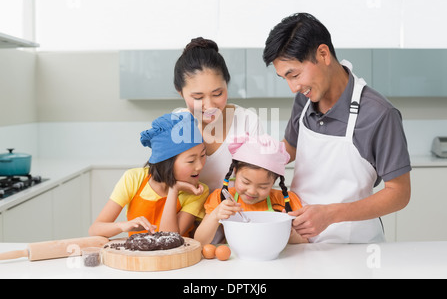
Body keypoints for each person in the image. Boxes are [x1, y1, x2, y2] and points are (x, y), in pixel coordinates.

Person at [263, 13, 411, 243]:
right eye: (285, 78)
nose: (293, 87)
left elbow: (399, 194)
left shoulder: (378, 113)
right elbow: (290, 149)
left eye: (295, 74)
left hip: (355, 248)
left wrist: (330, 214)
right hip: (299, 242)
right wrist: (252, 167)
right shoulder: (305, 98)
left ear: (323, 54)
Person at [88, 112, 209, 238]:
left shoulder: (198, 192)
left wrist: (174, 189)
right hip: (138, 257)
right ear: (167, 162)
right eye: (191, 161)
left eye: (203, 155)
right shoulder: (134, 179)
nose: (200, 166)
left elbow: (169, 237)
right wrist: (122, 226)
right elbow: (95, 230)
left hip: (177, 256)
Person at [174, 37, 266, 193]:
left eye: (217, 94)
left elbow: (261, 181)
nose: (209, 106)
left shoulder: (247, 121)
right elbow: (161, 183)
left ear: (227, 85)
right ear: (180, 92)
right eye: (198, 97)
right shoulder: (176, 123)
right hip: (187, 214)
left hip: (235, 213)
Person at [194, 133, 308, 245]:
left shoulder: (285, 201)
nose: (252, 191)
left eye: (263, 186)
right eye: (245, 182)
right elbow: (200, 241)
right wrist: (215, 215)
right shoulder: (221, 198)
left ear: (274, 182)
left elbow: (305, 242)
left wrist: (290, 234)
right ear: (235, 171)